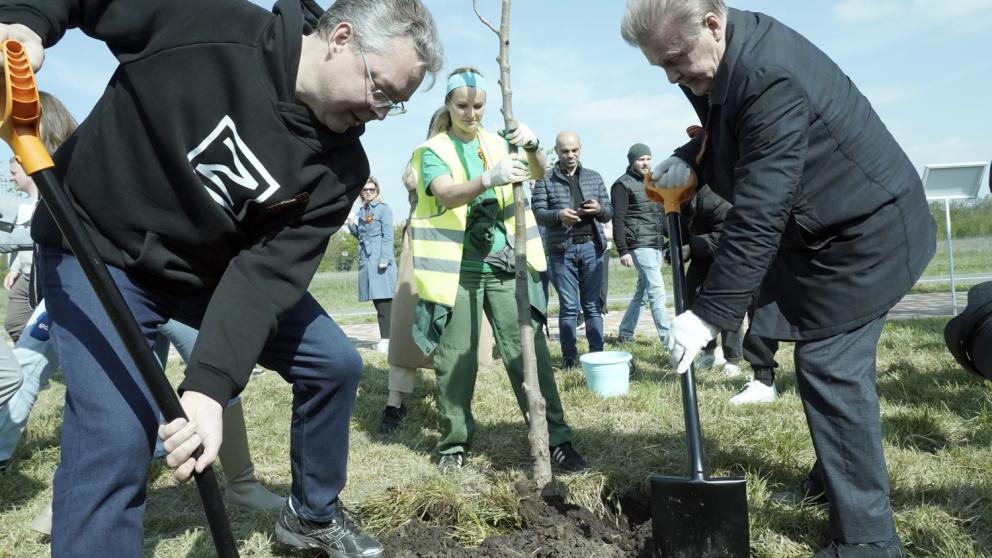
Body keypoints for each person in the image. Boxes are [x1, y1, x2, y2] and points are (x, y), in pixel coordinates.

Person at [0, 1, 442, 557]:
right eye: (380, 91)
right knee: (115, 434)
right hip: (98, 248)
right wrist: (26, 22)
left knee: (335, 362)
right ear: (341, 39)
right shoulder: (206, 25)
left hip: (210, 273)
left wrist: (208, 388)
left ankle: (311, 516)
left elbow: (264, 276)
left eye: (394, 105)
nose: (378, 113)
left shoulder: (341, 171)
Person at [622, 2, 935, 556]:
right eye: (660, 66)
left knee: (830, 366)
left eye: (674, 59)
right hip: (826, 230)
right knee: (826, 366)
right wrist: (691, 157)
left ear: (712, 24)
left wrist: (709, 314)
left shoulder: (769, 75)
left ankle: (868, 543)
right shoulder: (725, 56)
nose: (671, 76)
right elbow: (730, 129)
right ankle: (838, 477)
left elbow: (760, 211)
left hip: (866, 233)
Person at [409, 67, 587, 473]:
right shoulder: (432, 151)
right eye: (462, 106)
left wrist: (533, 146)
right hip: (459, 271)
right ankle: (453, 444)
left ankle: (555, 438)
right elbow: (445, 194)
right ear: (447, 105)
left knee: (528, 354)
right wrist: (488, 178)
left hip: (507, 266)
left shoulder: (497, 141)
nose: (470, 114)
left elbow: (538, 171)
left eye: (478, 106)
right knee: (457, 360)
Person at [532, 131, 614, 369]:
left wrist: (599, 209)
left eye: (574, 150)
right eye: (565, 151)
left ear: (581, 149)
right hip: (561, 250)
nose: (570, 155)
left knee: (593, 306)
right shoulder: (545, 179)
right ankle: (569, 359)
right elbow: (538, 213)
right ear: (557, 151)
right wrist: (559, 215)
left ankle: (597, 356)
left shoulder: (594, 177)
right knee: (569, 307)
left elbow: (609, 212)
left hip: (592, 247)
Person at [681, 181, 744, 378]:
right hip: (702, 256)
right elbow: (681, 230)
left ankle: (732, 360)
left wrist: (691, 247)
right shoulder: (681, 197)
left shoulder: (715, 197)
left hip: (728, 258)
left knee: (726, 307)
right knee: (694, 302)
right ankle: (708, 352)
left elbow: (726, 234)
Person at [611, 143, 670, 345]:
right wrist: (623, 250)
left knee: (643, 293)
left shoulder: (654, 182)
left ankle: (625, 333)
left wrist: (672, 238)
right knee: (657, 290)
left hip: (655, 243)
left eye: (648, 158)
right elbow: (618, 219)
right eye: (640, 159)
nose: (645, 163)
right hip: (639, 244)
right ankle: (668, 340)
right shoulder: (622, 185)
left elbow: (660, 215)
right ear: (632, 161)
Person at [347, 176, 397, 354]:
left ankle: (387, 341)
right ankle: (387, 339)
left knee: (385, 302)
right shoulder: (363, 211)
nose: (368, 192)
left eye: (371, 189)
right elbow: (361, 235)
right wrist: (351, 223)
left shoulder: (384, 209)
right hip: (367, 261)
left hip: (380, 261)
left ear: (377, 190)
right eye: (365, 190)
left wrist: (385, 259)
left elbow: (388, 236)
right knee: (378, 301)